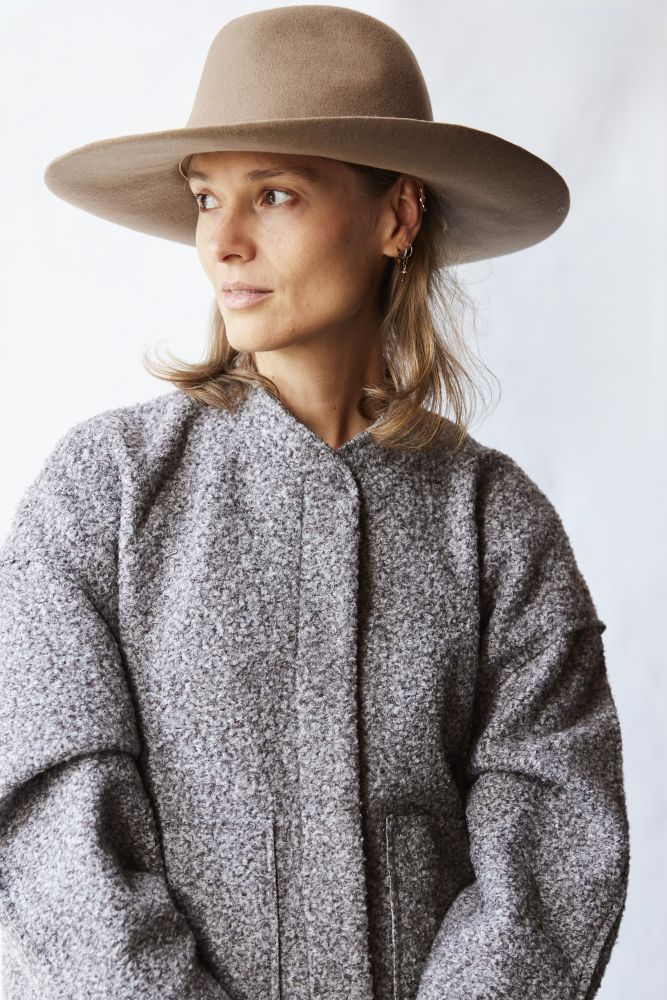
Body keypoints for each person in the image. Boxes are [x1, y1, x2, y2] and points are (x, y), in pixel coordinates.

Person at [0, 6, 629, 1000]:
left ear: (397, 217)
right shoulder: (103, 491)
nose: (224, 244)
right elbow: (50, 819)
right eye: (207, 198)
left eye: (276, 194)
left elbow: (550, 847)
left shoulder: (497, 527)